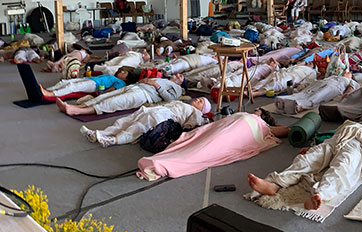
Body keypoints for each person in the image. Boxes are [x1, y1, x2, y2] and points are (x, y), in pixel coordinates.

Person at [246, 109, 362, 212]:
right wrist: (313, 147)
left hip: (357, 146)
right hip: (334, 143)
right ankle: (275, 183)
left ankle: (320, 195)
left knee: (343, 166)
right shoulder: (350, 123)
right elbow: (331, 137)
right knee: (308, 159)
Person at [138, 111, 290, 181]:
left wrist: (268, 122)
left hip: (237, 132)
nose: (255, 110)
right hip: (221, 127)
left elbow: (286, 130)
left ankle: (163, 164)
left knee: (207, 148)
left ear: (262, 116)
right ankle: (163, 159)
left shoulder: (262, 125)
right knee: (194, 139)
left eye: (258, 111)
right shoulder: (243, 114)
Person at [83, 97, 213, 147]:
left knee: (137, 127)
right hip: (153, 109)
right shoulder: (181, 102)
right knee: (123, 122)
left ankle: (112, 140)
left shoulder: (196, 113)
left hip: (165, 116)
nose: (197, 100)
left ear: (203, 110)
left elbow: (189, 126)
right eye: (199, 98)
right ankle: (99, 134)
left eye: (201, 102)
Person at [60, 73, 183, 116]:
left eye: (180, 76)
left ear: (181, 83)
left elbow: (170, 99)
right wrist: (144, 81)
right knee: (104, 96)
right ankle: (80, 106)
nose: (177, 75)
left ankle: (77, 111)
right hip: (135, 86)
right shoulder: (164, 79)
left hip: (144, 94)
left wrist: (155, 85)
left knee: (113, 103)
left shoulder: (177, 88)